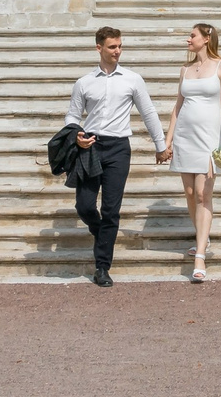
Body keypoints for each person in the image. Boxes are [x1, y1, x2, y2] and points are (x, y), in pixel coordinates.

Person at [65, 26, 169, 286]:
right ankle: (103, 234)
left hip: (119, 148)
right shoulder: (84, 83)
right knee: (84, 206)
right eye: (112, 47)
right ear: (98, 47)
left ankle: (102, 267)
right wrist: (76, 135)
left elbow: (148, 112)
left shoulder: (132, 79)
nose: (117, 51)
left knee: (111, 210)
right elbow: (72, 116)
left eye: (120, 46)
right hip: (90, 146)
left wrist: (160, 144)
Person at [165, 22, 221, 283]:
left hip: (209, 136)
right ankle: (201, 238)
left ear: (206, 38)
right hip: (185, 135)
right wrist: (168, 139)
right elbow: (177, 106)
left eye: (192, 35)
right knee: (188, 193)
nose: (188, 39)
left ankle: (200, 257)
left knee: (202, 193)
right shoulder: (185, 69)